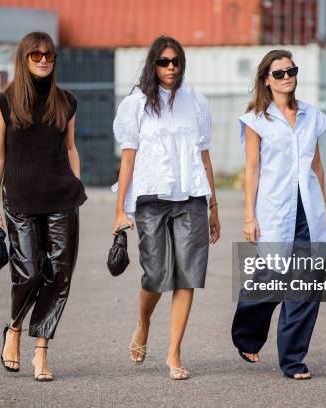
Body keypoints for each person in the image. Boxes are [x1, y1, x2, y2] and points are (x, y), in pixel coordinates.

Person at [111, 35, 220, 380]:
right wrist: (119, 210)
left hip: (191, 198)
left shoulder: (197, 102)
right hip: (151, 199)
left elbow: (204, 155)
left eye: (176, 62)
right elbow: (128, 158)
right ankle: (143, 323)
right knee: (156, 276)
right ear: (153, 65)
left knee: (188, 275)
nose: (171, 68)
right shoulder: (136, 104)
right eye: (164, 62)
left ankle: (174, 352)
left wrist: (213, 205)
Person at [0, 31, 86, 382]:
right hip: (21, 202)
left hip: (62, 199)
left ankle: (41, 352)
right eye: (36, 54)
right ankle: (13, 328)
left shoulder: (67, 101)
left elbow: (71, 148)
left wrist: (76, 184)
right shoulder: (4, 102)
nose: (44, 59)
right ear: (24, 58)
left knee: (59, 275)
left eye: (50, 55)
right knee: (28, 273)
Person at [231, 49, 326, 380]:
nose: (287, 76)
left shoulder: (311, 116)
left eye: (291, 70)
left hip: (308, 212)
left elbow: (316, 166)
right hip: (275, 211)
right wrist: (249, 216)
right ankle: (247, 336)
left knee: (306, 287)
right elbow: (252, 169)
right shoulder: (255, 120)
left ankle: (293, 360)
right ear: (266, 79)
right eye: (279, 73)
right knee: (269, 281)